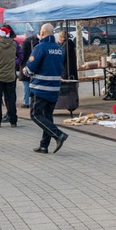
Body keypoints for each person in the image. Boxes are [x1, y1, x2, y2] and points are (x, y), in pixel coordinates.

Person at [22, 23, 67, 154]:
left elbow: (30, 68)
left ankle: (58, 135)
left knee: (35, 115)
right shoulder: (59, 49)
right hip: (54, 89)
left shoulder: (40, 48)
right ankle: (44, 145)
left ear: (42, 33)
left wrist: (25, 70)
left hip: (40, 88)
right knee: (47, 116)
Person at [19, 28, 39, 108]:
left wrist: (20, 63)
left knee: (26, 86)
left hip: (25, 66)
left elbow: (22, 55)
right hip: (34, 66)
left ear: (26, 35)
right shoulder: (37, 42)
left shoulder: (25, 43)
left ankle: (26, 102)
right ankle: (32, 101)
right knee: (33, 85)